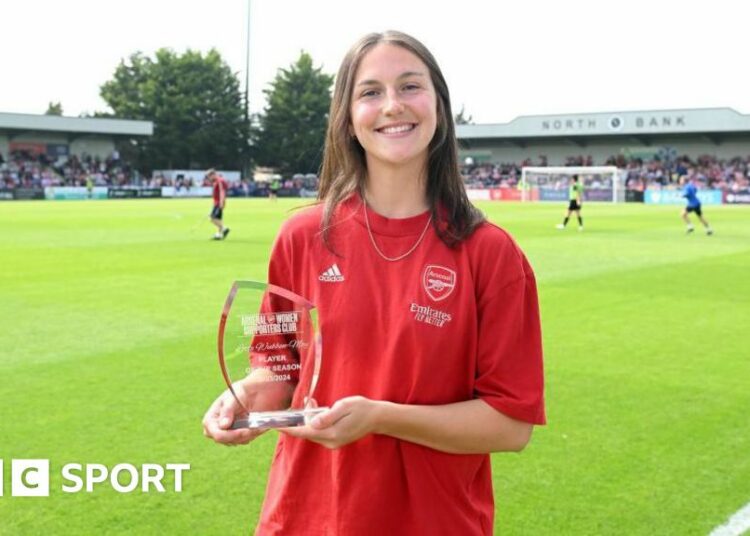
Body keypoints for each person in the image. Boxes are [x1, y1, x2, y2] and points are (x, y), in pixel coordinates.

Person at [202, 30, 545, 535]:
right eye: (370, 92)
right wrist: (249, 397)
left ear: (439, 108)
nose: (392, 106)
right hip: (303, 518)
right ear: (347, 117)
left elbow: (510, 425)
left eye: (410, 87)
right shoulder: (301, 236)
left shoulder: (490, 254)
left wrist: (382, 417)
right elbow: (279, 371)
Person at [206, 168, 230, 240]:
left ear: (213, 175)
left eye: (209, 177)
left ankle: (224, 229)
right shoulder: (217, 181)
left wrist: (221, 202)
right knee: (218, 219)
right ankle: (218, 234)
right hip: (217, 202)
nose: (209, 179)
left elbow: (222, 192)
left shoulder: (219, 181)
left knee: (212, 218)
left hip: (218, 203)